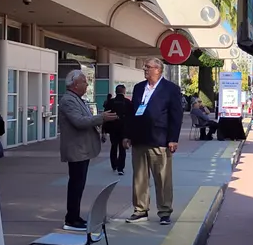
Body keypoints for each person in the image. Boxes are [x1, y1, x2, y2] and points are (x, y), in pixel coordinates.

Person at [123, 58, 183, 225]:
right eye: (145, 67)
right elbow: (131, 114)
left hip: (160, 140)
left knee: (162, 178)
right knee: (139, 178)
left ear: (158, 69)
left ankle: (164, 211)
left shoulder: (171, 89)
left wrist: (173, 139)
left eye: (148, 67)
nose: (145, 69)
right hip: (139, 139)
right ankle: (140, 210)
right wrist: (127, 135)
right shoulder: (138, 88)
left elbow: (176, 116)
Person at [59, 70, 119, 231]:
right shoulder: (68, 100)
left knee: (79, 184)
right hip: (76, 149)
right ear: (75, 84)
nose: (87, 85)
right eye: (85, 82)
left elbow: (85, 119)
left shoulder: (78, 99)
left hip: (82, 149)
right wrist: (102, 118)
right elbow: (79, 122)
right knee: (76, 184)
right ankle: (71, 219)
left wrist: (100, 120)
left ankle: (74, 216)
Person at [103, 85, 133, 175]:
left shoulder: (111, 102)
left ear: (116, 92)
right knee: (122, 148)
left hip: (113, 128)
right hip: (124, 128)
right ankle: (121, 168)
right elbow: (131, 117)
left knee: (113, 146)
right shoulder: (127, 102)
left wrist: (104, 131)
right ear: (124, 91)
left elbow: (105, 116)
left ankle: (114, 164)